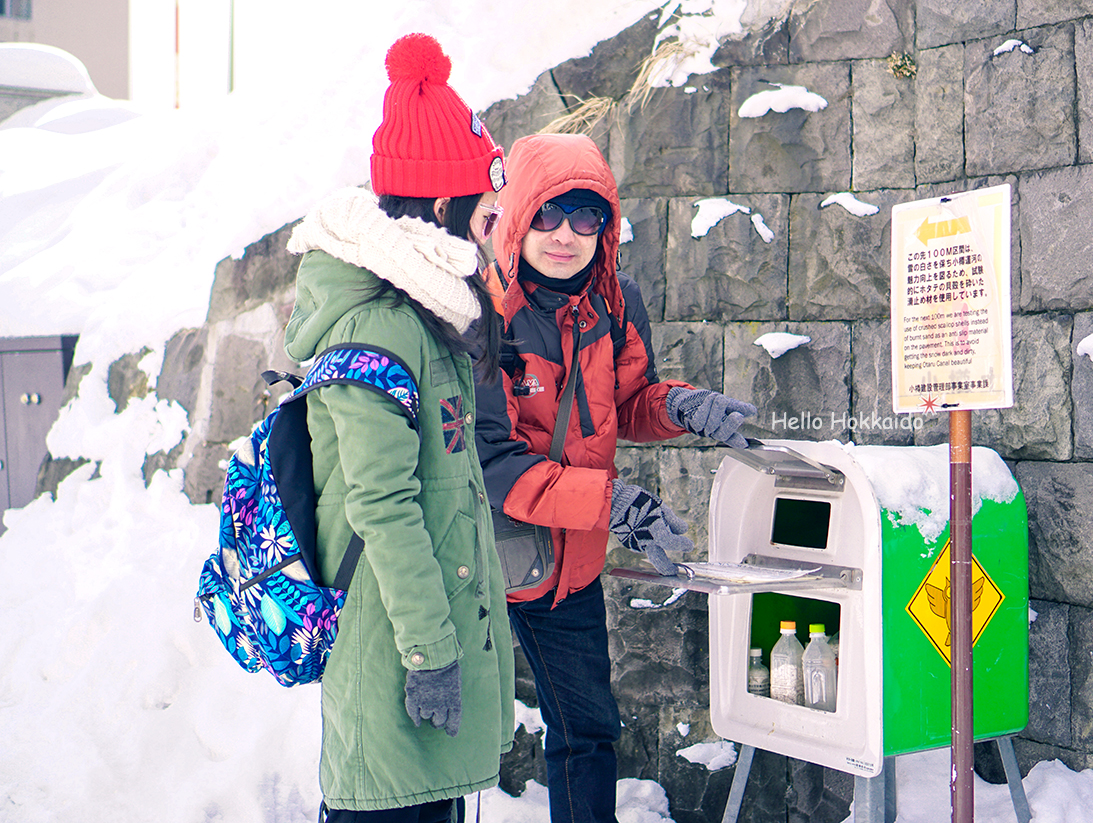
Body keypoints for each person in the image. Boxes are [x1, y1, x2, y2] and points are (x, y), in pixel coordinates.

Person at [475, 132, 757, 823]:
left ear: (606, 226)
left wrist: (685, 405)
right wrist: (617, 504)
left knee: (588, 729)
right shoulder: (482, 312)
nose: (565, 234)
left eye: (585, 216)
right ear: (517, 214)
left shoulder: (614, 301)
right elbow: (494, 461)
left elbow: (629, 402)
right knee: (453, 736)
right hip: (476, 556)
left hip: (565, 560)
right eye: (547, 214)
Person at [283, 33, 514, 823]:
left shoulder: (428, 316)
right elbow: (383, 506)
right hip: (393, 666)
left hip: (420, 669)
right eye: (485, 204)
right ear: (443, 205)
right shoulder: (376, 334)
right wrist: (430, 653)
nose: (495, 221)